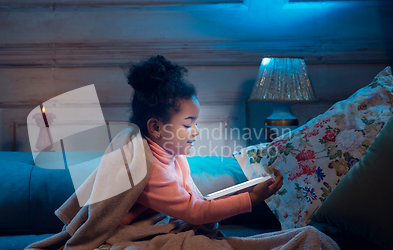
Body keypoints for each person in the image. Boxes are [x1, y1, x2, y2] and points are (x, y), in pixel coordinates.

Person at [119, 55, 284, 226]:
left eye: (195, 123)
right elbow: (195, 211)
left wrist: (250, 190)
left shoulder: (175, 157)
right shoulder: (146, 170)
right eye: (188, 124)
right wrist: (253, 198)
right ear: (155, 127)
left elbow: (195, 200)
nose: (196, 131)